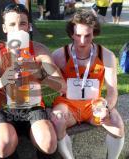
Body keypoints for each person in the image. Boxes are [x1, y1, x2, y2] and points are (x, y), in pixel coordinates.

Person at [0, 3, 66, 159]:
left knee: (49, 143)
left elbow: (62, 86)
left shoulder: (39, 50)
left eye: (22, 23)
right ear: (4, 28)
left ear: (28, 26)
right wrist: (1, 81)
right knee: (3, 145)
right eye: (12, 24)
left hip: (33, 108)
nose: (17, 29)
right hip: (4, 110)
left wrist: (40, 73)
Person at [51, 9, 124, 159]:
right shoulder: (59, 55)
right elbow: (48, 82)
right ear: (71, 33)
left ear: (94, 33)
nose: (82, 41)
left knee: (117, 123)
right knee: (58, 120)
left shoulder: (106, 56)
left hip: (94, 104)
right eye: (78, 35)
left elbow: (112, 91)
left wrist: (106, 108)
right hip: (68, 104)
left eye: (88, 35)